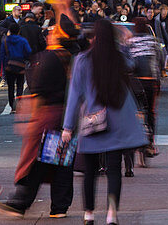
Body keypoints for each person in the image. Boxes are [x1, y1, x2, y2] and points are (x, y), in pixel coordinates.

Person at [62, 19, 147, 225]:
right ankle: (111, 214)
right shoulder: (119, 59)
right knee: (114, 170)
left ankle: (89, 214)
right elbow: (133, 64)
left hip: (93, 122)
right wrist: (125, 41)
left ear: (95, 36)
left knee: (89, 171)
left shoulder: (82, 60)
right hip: (118, 123)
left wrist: (68, 127)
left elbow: (75, 96)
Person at [0, 20, 78, 218]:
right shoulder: (72, 57)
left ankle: (21, 203)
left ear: (57, 37)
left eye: (52, 31)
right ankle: (58, 207)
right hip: (68, 115)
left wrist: (30, 115)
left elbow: (38, 89)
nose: (48, 34)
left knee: (40, 161)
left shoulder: (50, 58)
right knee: (60, 162)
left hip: (50, 115)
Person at [128, 15, 164, 156]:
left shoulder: (130, 42)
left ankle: (133, 141)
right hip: (151, 80)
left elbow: (127, 61)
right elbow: (161, 60)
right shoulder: (154, 42)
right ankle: (150, 143)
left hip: (135, 81)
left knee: (134, 111)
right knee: (151, 112)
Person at [0, 28, 32, 110]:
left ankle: (11, 104)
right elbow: (28, 52)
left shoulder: (5, 41)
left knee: (10, 87)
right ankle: (19, 102)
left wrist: (3, 67)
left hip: (9, 66)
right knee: (20, 85)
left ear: (9, 31)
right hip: (20, 65)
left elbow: (2, 55)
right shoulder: (23, 40)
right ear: (18, 31)